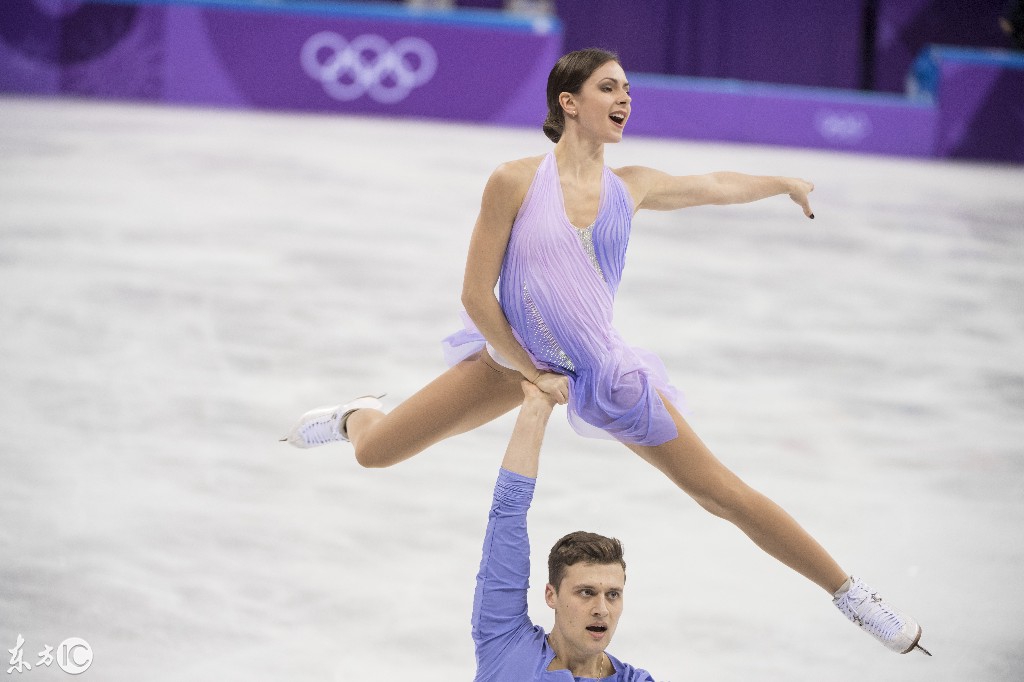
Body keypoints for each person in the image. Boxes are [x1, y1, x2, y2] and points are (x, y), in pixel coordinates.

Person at [282, 48, 930, 656]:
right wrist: (527, 370)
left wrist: (782, 181)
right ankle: (353, 414)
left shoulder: (633, 185)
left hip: (604, 375)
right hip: (513, 360)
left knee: (721, 493)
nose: (625, 99)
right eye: (609, 88)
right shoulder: (512, 181)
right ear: (569, 101)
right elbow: (478, 296)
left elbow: (713, 184)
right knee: (376, 451)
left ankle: (852, 596)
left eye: (628, 90)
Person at [474, 380, 651, 680]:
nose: (601, 609)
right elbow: (507, 514)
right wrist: (537, 405)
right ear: (551, 595)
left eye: (613, 594)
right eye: (586, 592)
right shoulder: (505, 643)